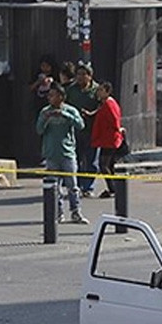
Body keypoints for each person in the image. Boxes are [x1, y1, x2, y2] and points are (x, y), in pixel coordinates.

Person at [36, 84, 88, 224]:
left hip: (67, 152)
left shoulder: (70, 110)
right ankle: (58, 213)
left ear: (61, 97)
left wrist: (64, 114)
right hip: (51, 154)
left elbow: (80, 125)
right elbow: (39, 130)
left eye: (53, 95)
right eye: (49, 95)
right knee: (54, 186)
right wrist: (46, 118)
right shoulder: (45, 112)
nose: (50, 98)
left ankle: (75, 211)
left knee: (72, 185)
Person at [66, 63, 99, 194]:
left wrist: (91, 113)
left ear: (90, 76)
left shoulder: (96, 90)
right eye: (78, 74)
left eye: (83, 74)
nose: (80, 77)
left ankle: (89, 187)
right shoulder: (71, 90)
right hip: (75, 130)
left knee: (91, 160)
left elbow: (103, 106)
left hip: (92, 130)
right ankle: (77, 186)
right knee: (76, 159)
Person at [91, 82, 124, 197]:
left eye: (101, 90)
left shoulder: (109, 104)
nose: (98, 92)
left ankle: (113, 188)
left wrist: (117, 129)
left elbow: (115, 120)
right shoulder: (104, 104)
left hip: (109, 139)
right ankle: (114, 188)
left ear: (107, 91)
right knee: (109, 165)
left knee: (103, 165)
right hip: (106, 138)